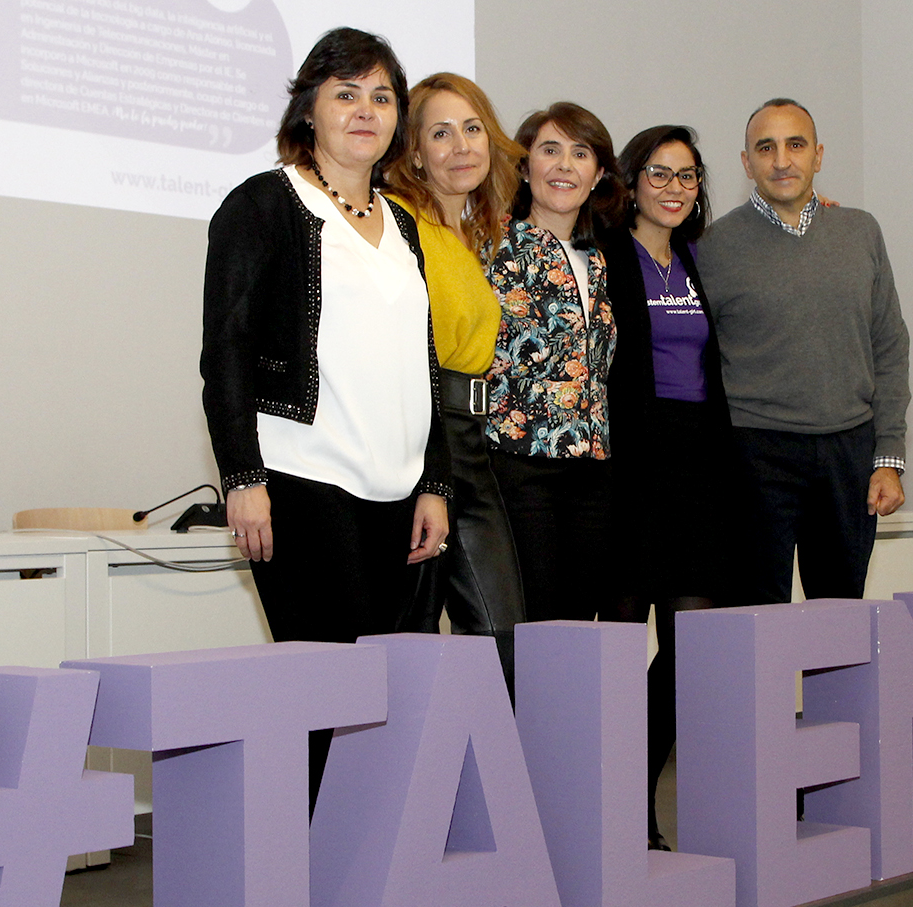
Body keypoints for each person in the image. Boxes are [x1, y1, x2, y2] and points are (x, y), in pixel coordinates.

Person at [200, 27, 450, 809]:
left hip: (399, 491)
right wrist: (242, 476)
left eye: (382, 96)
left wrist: (435, 483)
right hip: (301, 480)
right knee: (328, 699)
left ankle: (368, 867)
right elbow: (226, 351)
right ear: (308, 109)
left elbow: (423, 362)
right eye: (346, 93)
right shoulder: (263, 204)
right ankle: (303, 866)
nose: (365, 110)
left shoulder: (403, 223)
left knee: (385, 702)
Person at [695, 98, 911, 604]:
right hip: (754, 453)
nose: (781, 160)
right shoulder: (712, 246)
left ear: (818, 155)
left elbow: (889, 346)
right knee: (754, 617)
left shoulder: (860, 231)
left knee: (840, 616)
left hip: (849, 452)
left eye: (795, 145)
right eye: (765, 148)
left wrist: (889, 457)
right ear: (746, 162)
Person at [597, 124, 735, 849]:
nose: (674, 188)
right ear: (630, 181)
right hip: (630, 472)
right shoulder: (604, 252)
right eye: (659, 173)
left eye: (687, 175)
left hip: (697, 475)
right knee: (619, 654)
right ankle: (619, 816)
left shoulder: (695, 259)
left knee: (690, 651)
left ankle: (638, 788)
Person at [383, 72, 528, 691]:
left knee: (504, 635)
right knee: (408, 637)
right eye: (441, 133)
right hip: (418, 440)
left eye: (472, 128)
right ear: (414, 152)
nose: (463, 145)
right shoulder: (393, 222)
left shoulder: (466, 235)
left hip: (471, 441)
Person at [485, 102, 622, 622]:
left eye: (580, 153)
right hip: (519, 465)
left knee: (580, 624)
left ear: (598, 174)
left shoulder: (599, 259)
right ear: (524, 167)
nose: (565, 165)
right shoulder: (491, 245)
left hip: (592, 470)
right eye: (550, 150)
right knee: (533, 620)